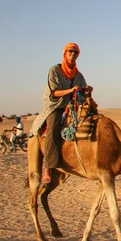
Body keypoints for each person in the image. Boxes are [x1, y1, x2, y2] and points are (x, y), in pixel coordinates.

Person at [30, 43, 93, 183]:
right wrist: (70, 91)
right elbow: (54, 93)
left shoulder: (78, 75)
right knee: (53, 129)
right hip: (55, 106)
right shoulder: (55, 70)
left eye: (76, 52)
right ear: (65, 53)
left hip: (72, 107)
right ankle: (49, 166)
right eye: (70, 51)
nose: (73, 54)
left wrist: (87, 90)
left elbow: (81, 91)